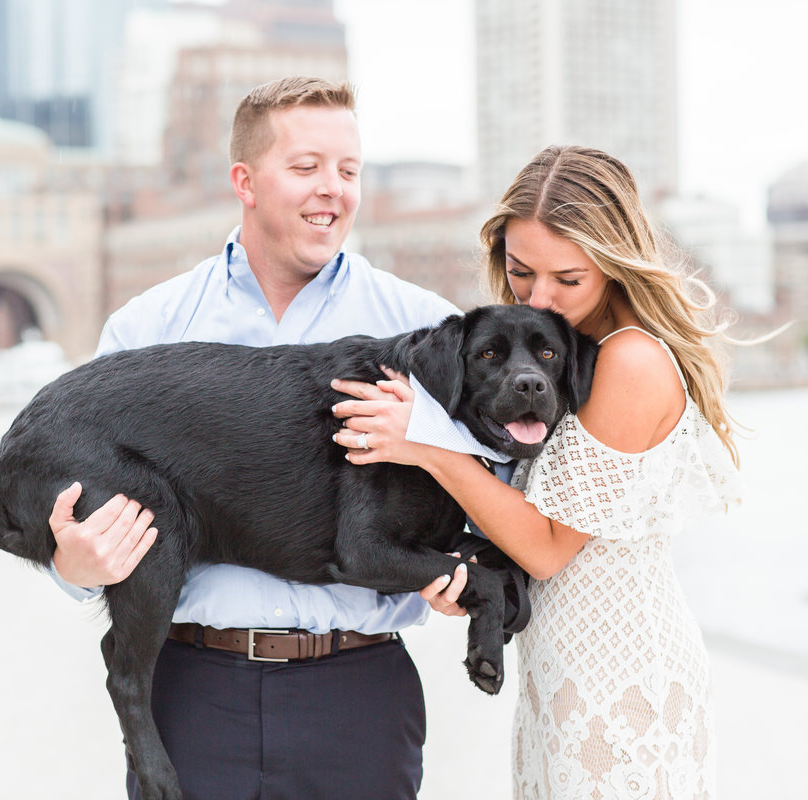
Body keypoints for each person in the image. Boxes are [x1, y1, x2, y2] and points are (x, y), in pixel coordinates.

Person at [43, 76, 461, 800]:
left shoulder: (427, 331)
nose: (332, 188)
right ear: (245, 180)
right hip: (192, 697)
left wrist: (461, 568)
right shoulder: (149, 332)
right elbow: (92, 526)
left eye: (348, 170)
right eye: (306, 167)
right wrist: (72, 564)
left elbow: (492, 500)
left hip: (359, 699)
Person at [331, 145, 743, 799]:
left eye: (567, 280)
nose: (540, 296)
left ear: (613, 262)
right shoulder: (561, 356)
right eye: (521, 273)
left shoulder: (629, 360)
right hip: (560, 678)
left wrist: (429, 447)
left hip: (623, 681)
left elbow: (550, 547)